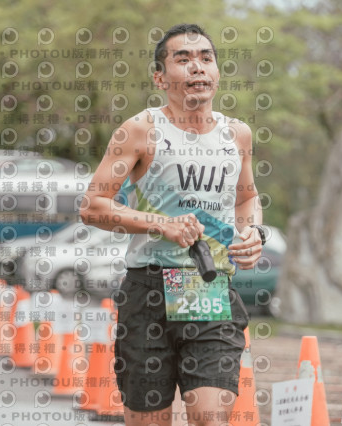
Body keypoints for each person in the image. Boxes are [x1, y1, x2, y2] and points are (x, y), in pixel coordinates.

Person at [81, 23, 266, 426]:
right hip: (147, 291)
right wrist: (159, 224)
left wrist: (253, 232)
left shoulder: (237, 135)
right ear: (160, 78)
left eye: (206, 58)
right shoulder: (140, 130)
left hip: (209, 287)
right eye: (183, 59)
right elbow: (92, 206)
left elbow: (247, 198)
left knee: (210, 417)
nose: (197, 67)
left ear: (217, 72)